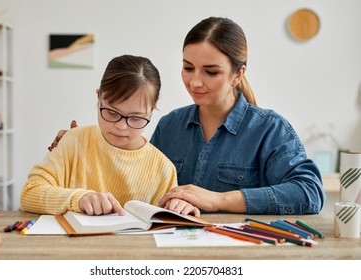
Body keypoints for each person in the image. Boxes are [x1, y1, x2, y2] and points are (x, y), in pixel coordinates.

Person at [49, 17, 325, 215]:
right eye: (188, 67)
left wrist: (218, 200)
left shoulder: (269, 129)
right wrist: (83, 144)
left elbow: (309, 193)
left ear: (238, 74)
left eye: (211, 72)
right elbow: (134, 177)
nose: (195, 82)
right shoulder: (170, 126)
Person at [21, 54, 199, 217]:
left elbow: (165, 223)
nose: (121, 126)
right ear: (99, 97)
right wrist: (79, 198)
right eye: (112, 112)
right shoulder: (73, 142)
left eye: (136, 118)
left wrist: (180, 209)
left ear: (151, 110)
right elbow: (29, 194)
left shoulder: (163, 169)